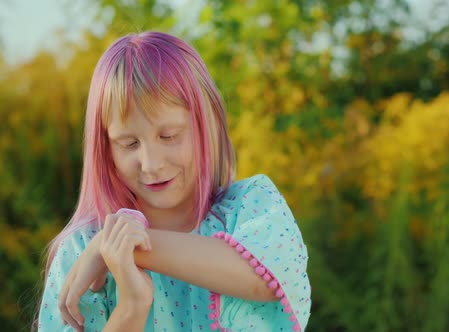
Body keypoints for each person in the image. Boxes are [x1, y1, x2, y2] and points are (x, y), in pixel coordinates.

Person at [36, 31, 311, 331]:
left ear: (206, 124)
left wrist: (118, 244)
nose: (151, 164)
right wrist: (131, 308)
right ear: (105, 148)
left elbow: (267, 277)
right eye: (128, 143)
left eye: (169, 136)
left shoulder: (252, 206)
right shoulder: (80, 250)